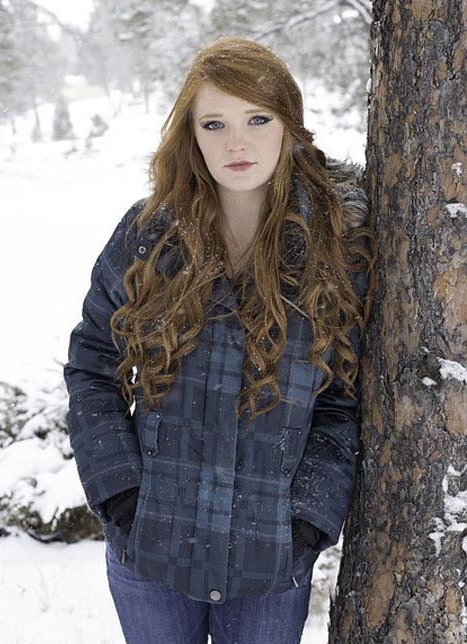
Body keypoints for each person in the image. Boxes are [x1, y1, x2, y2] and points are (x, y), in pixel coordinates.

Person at [64, 36, 374, 644]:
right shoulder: (149, 235)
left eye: (258, 119)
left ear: (289, 126)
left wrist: (307, 523)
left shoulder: (334, 248)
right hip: (149, 548)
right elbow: (92, 366)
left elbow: (342, 398)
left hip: (270, 562)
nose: (237, 143)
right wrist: (121, 492)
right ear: (192, 135)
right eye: (215, 124)